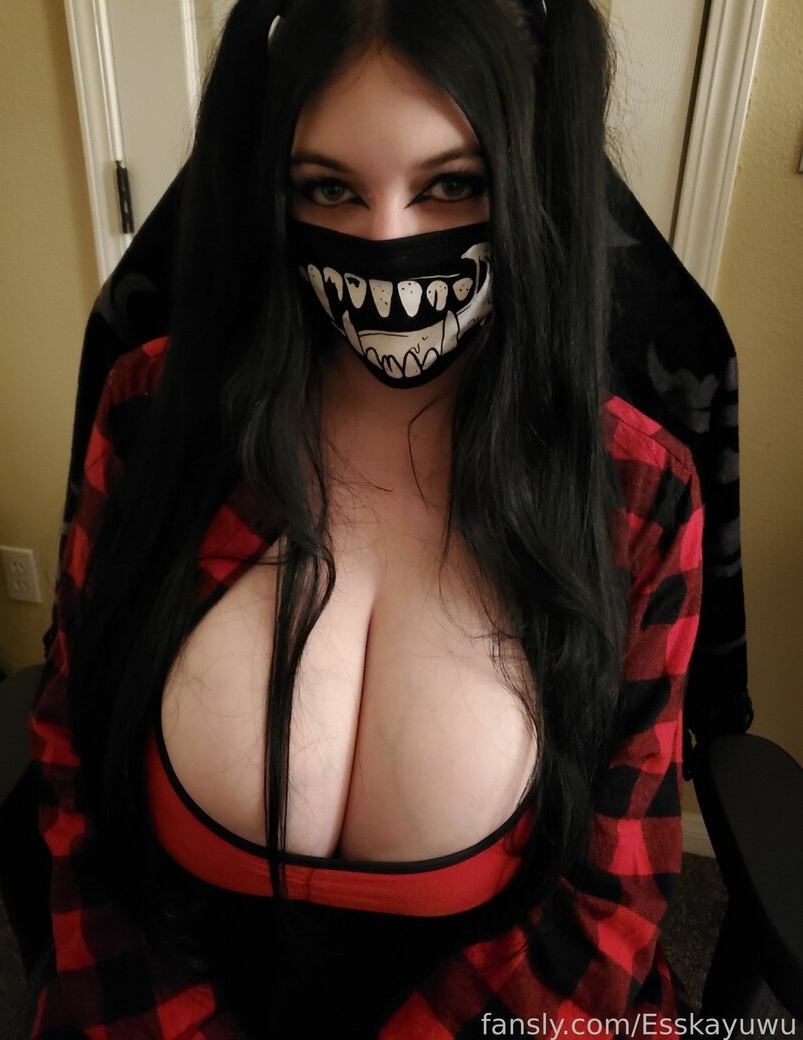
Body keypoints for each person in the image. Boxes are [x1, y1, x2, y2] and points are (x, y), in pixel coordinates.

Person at [30, 0, 703, 1036]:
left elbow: (607, 902)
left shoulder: (633, 492)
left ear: (529, 183)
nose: (385, 239)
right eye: (328, 188)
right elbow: (73, 774)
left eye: (451, 185)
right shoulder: (151, 419)